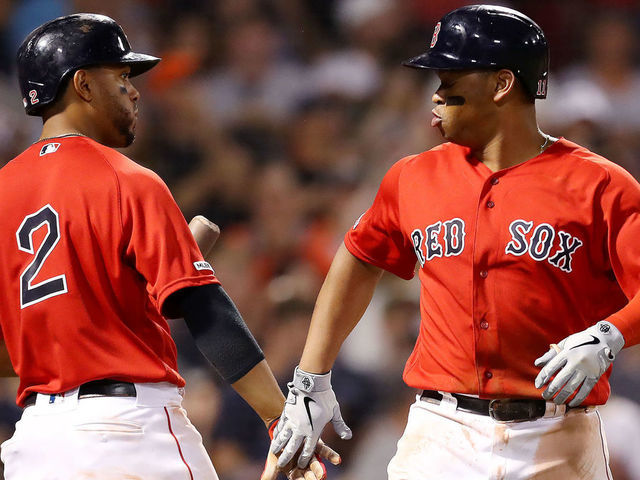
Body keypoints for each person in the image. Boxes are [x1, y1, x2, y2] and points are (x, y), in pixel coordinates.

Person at [270, 5, 640, 479]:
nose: (436, 95)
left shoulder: (600, 185)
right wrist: (310, 379)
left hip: (558, 435)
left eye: (450, 81)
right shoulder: (414, 176)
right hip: (442, 431)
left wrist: (611, 336)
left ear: (502, 85)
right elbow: (360, 258)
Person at [0, 13, 337, 480]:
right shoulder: (125, 178)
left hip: (37, 441)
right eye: (119, 77)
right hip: (130, 433)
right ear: (82, 84)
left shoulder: (3, 190)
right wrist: (279, 418)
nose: (134, 90)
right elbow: (205, 309)